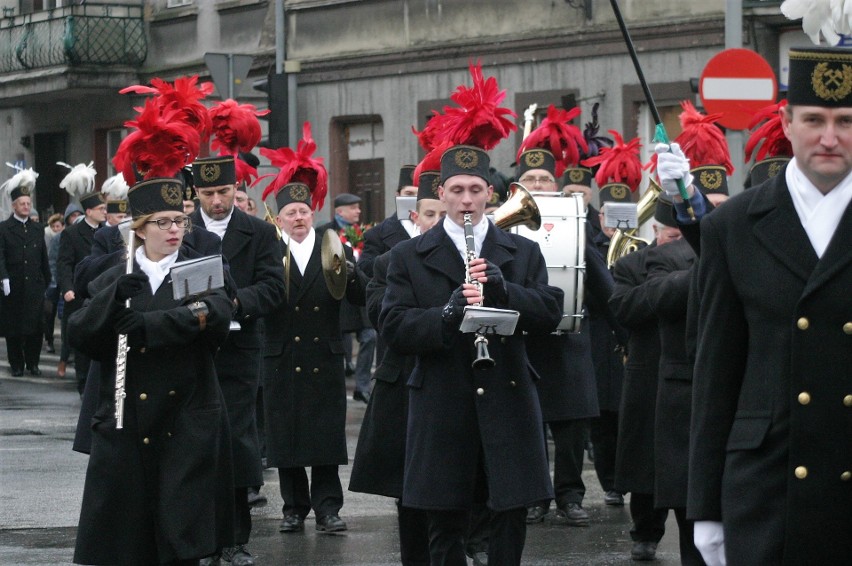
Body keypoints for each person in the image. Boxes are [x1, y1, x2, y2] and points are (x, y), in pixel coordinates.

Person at [688, 46, 852, 566]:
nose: (830, 137)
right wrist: (706, 509)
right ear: (786, 121)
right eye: (814, 120)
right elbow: (715, 374)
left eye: (846, 121)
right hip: (767, 485)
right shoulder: (732, 226)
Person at [380, 142, 563, 565]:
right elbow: (394, 327)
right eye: (457, 189)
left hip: (508, 396)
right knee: (444, 519)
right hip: (443, 400)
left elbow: (550, 312)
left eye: (476, 190)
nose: (467, 200)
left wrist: (504, 290)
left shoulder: (523, 251)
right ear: (440, 192)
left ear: (490, 194)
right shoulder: (408, 256)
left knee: (508, 515)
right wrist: (447, 312)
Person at [69, 175, 235, 565]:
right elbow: (82, 335)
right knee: (128, 538)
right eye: (163, 222)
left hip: (186, 416)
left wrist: (153, 326)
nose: (175, 229)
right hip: (129, 421)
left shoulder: (198, 268)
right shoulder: (117, 273)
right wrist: (110, 301)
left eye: (179, 221)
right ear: (140, 230)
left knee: (181, 534)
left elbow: (217, 313)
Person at [260, 130, 362, 535]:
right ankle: (292, 507)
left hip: (323, 354)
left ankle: (328, 507)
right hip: (282, 354)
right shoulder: (269, 249)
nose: (299, 218)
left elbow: (359, 294)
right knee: (285, 436)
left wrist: (351, 272)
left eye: (304, 211)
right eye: (291, 213)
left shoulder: (332, 243)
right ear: (280, 218)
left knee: (323, 437)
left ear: (311, 212)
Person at [190, 155, 285, 566]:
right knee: (195, 448)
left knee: (234, 444)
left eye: (223, 192)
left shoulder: (260, 232)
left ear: (235, 190)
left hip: (239, 352)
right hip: (191, 349)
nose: (216, 201)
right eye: (208, 193)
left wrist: (235, 302)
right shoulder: (182, 229)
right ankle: (199, 540)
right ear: (196, 193)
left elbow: (273, 288)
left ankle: (234, 539)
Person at [350, 167, 445, 565]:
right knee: (411, 494)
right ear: (414, 216)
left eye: (445, 214)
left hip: (458, 385)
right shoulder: (391, 261)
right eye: (429, 215)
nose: (437, 223)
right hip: (406, 383)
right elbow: (380, 317)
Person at [609, 198, 682, 562]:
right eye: (673, 236)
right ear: (655, 231)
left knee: (686, 457)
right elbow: (623, 309)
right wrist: (668, 288)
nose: (680, 243)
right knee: (646, 457)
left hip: (690, 372)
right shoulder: (630, 265)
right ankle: (645, 531)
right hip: (648, 372)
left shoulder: (709, 258)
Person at [319, 193, 376, 403]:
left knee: (370, 336)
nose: (358, 211)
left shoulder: (365, 232)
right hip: (338, 298)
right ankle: (341, 381)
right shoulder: (324, 232)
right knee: (341, 341)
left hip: (357, 293)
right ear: (339, 211)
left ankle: (362, 386)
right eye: (353, 208)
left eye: (358, 207)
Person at [0, 178, 51, 376]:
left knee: (36, 328)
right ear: (14, 206)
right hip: (13, 285)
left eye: (29, 203)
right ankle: (16, 364)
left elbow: (42, 257)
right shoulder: (4, 228)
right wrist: (3, 278)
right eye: (22, 203)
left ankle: (33, 362)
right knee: (13, 328)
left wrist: (48, 280)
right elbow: (0, 255)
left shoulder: (37, 229)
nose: (26, 207)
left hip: (35, 286)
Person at [57, 187, 106, 387]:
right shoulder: (72, 233)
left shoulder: (106, 232)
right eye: (100, 208)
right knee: (82, 341)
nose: (104, 211)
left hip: (102, 293)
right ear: (89, 211)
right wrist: (67, 288)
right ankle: (83, 382)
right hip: (80, 295)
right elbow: (64, 264)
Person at [358, 164, 419, 280]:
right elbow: (365, 268)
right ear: (398, 195)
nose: (414, 200)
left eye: (419, 194)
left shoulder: (436, 229)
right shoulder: (377, 234)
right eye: (409, 194)